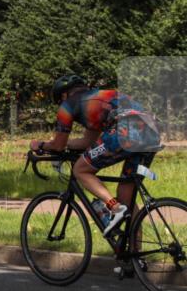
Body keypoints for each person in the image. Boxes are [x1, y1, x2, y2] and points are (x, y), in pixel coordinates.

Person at [31, 74, 162, 239]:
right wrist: (65, 144)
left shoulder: (67, 105)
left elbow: (58, 145)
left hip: (127, 130)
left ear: (64, 95)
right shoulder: (95, 101)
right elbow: (87, 141)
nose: (61, 104)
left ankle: (114, 209)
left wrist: (41, 145)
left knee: (81, 169)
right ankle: (136, 259)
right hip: (151, 131)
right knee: (126, 197)